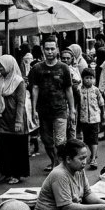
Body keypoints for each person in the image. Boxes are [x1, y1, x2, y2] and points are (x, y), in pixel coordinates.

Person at [32, 140, 105, 210]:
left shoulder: (79, 169)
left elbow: (87, 194)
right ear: (68, 159)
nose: (84, 162)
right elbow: (67, 207)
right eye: (81, 158)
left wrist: (103, 203)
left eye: (85, 158)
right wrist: (97, 207)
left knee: (104, 202)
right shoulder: (59, 174)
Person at [29, 36, 75, 171]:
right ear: (43, 50)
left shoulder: (64, 68)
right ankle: (55, 160)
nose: (49, 52)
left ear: (57, 50)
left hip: (60, 110)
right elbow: (35, 89)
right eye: (47, 49)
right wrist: (33, 110)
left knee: (60, 141)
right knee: (46, 140)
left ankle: (60, 166)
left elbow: (68, 89)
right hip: (43, 111)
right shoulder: (37, 68)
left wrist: (72, 110)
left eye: (52, 49)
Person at [0, 55, 29, 184]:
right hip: (2, 117)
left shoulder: (19, 81)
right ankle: (6, 172)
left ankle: (17, 174)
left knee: (16, 147)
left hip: (15, 117)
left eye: (1, 66)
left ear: (9, 65)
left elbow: (21, 102)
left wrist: (19, 121)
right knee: (4, 146)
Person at [78, 68, 105, 170]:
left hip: (94, 118)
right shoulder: (79, 90)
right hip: (83, 119)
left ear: (94, 79)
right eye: (86, 78)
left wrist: (103, 115)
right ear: (83, 79)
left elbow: (101, 103)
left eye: (91, 78)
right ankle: (93, 153)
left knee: (94, 138)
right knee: (87, 139)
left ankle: (93, 158)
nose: (89, 80)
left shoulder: (96, 90)